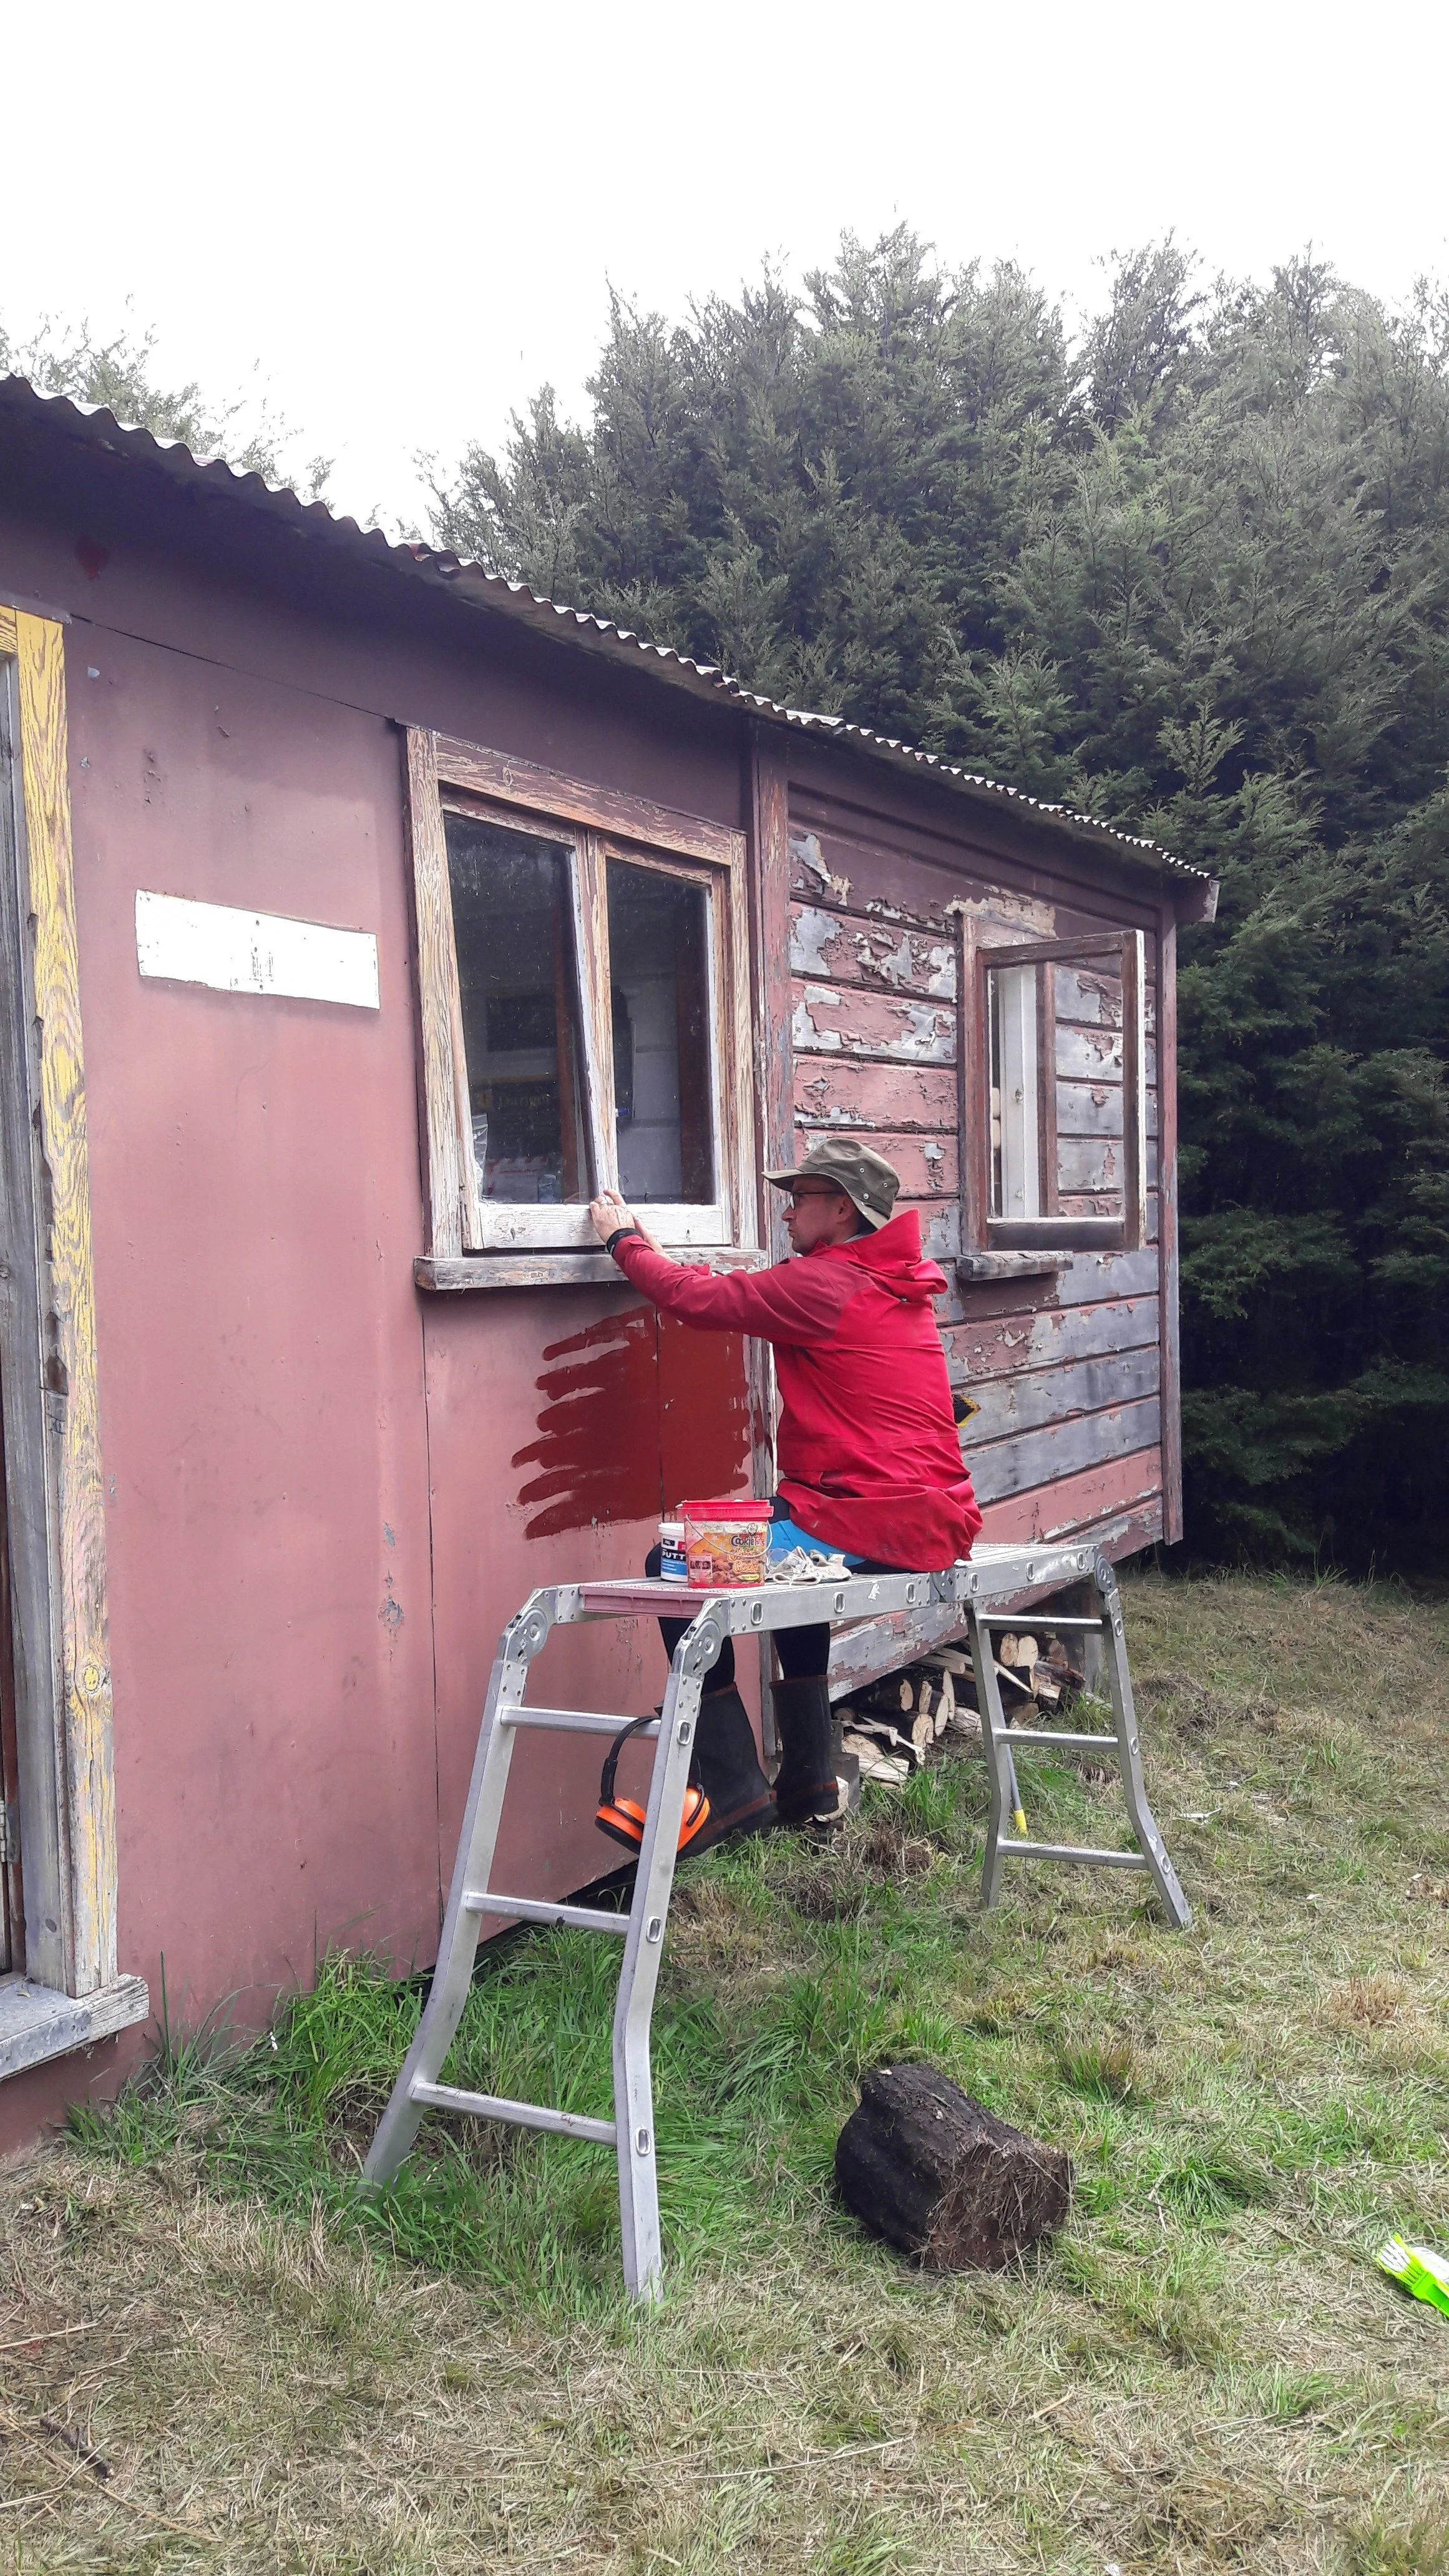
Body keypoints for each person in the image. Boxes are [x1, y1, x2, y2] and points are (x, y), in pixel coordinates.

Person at [588, 1141, 981, 1849]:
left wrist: (621, 1241)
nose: (788, 1209)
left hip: (873, 1522)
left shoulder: (827, 1285)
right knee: (790, 1543)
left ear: (841, 1209)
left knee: (670, 1566)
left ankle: (733, 1788)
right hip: (914, 1520)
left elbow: (694, 1297)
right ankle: (807, 1775)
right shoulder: (894, 1285)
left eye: (801, 1197)